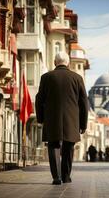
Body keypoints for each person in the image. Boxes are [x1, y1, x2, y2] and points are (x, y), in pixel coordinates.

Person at [35, 52, 88, 185]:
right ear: (68, 63)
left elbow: (38, 99)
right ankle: (66, 176)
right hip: (72, 121)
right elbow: (84, 103)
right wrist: (83, 124)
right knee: (68, 147)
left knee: (53, 146)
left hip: (52, 119)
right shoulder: (77, 78)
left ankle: (56, 177)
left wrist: (41, 118)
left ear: (54, 62)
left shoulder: (46, 77)